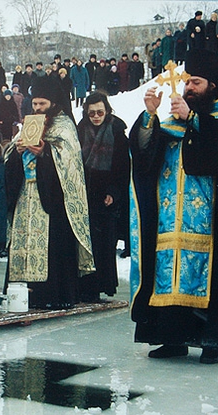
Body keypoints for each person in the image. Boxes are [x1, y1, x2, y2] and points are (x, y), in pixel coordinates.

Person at [128, 50, 218, 364]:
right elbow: (143, 158)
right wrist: (150, 118)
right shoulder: (171, 123)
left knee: (209, 278)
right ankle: (172, 339)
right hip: (168, 220)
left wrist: (193, 120)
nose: (189, 87)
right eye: (187, 82)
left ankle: (212, 342)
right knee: (166, 275)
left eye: (196, 82)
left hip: (208, 221)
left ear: (213, 85)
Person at [4, 75, 94, 310]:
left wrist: (45, 152)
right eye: (34, 104)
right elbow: (8, 155)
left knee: (52, 245)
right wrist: (18, 150)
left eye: (42, 104)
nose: (37, 108)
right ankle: (22, 291)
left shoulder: (64, 126)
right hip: (26, 194)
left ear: (53, 103)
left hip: (51, 199)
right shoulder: (29, 123)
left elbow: (69, 161)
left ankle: (52, 293)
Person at [76, 91, 129, 302]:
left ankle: (99, 286)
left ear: (107, 111)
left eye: (100, 112)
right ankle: (83, 286)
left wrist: (114, 192)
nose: (96, 116)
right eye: (92, 113)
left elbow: (123, 165)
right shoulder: (80, 130)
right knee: (84, 241)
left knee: (103, 243)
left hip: (106, 195)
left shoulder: (116, 131)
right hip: (84, 192)